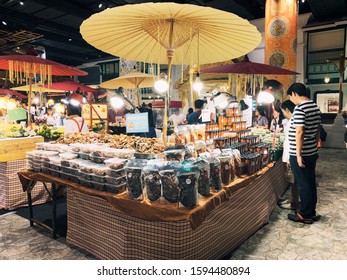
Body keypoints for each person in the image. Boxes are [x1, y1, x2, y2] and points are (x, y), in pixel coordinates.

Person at [286, 83, 321, 224]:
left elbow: (299, 132)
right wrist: (316, 142)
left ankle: (305, 215)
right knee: (310, 181)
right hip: (311, 151)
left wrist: (298, 155)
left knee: (303, 183)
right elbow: (318, 127)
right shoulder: (315, 106)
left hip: (300, 153)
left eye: (290, 97)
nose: (291, 100)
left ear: (294, 93)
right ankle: (311, 212)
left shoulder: (300, 109)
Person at [277, 99, 300, 210]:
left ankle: (294, 202)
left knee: (293, 180)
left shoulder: (293, 121)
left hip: (292, 155)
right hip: (291, 155)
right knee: (292, 180)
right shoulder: (293, 120)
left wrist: (290, 158)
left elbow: (293, 141)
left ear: (287, 109)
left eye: (283, 112)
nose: (283, 114)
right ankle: (292, 199)